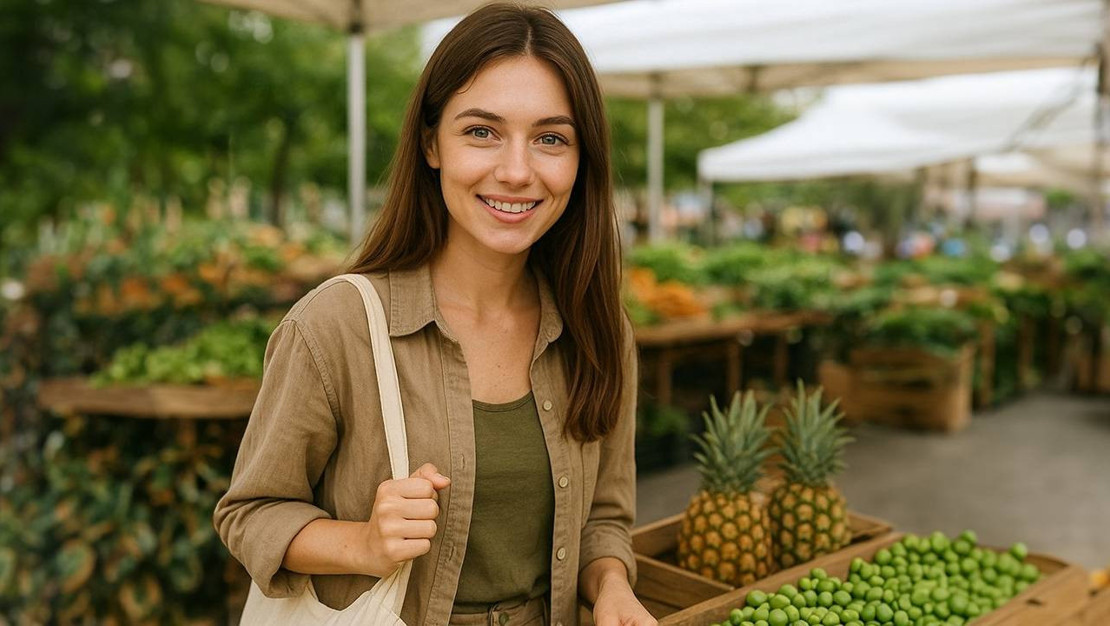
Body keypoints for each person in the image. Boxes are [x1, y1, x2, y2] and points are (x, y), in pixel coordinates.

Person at [213, 4, 655, 625]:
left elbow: (604, 517)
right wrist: (364, 542)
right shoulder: (335, 326)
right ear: (431, 143)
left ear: (582, 161)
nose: (517, 171)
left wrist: (610, 586)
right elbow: (249, 513)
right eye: (482, 131)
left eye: (551, 138)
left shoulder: (598, 332)